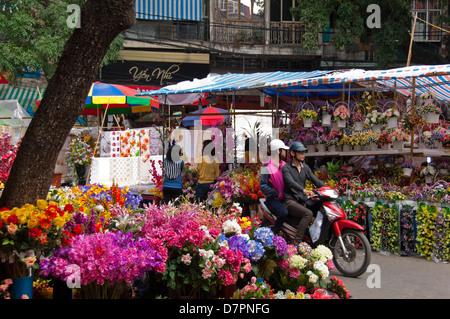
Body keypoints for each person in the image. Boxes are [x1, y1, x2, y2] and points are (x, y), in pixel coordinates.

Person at [282, 141, 325, 245]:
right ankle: (296, 242)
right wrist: (304, 190)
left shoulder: (305, 168)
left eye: (304, 153)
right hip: (289, 201)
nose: (303, 155)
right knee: (308, 214)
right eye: (300, 152)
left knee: (319, 209)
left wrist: (328, 188)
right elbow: (291, 183)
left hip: (301, 200)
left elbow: (315, 180)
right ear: (292, 153)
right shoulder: (286, 168)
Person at [259, 139, 290, 235]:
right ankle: (275, 235)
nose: (286, 152)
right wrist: (276, 193)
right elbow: (262, 185)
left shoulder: (285, 166)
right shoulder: (267, 167)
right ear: (278, 151)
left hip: (285, 198)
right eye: (284, 150)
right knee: (283, 213)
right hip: (273, 200)